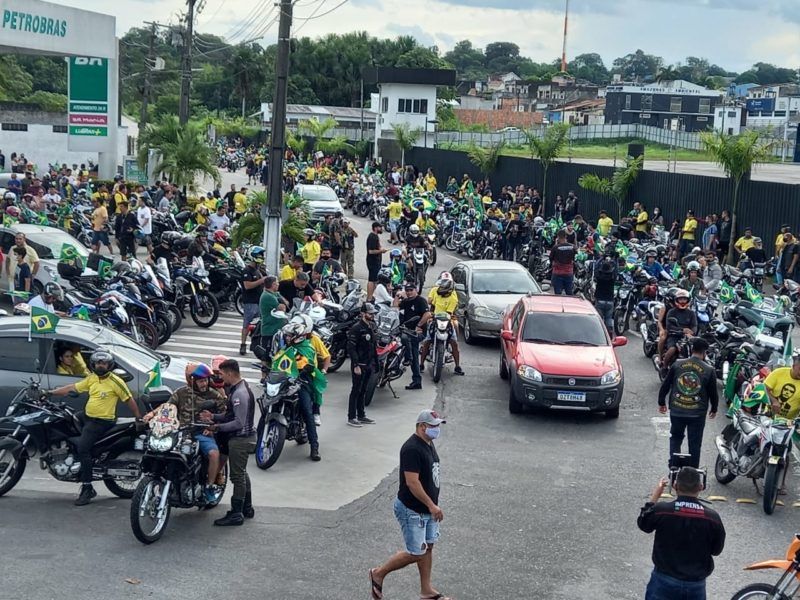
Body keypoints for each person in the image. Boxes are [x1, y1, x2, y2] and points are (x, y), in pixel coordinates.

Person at [369, 409, 448, 600]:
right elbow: (412, 482)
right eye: (433, 426)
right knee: (416, 552)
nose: (437, 430)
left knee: (428, 547)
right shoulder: (412, 448)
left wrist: (432, 506)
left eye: (438, 426)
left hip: (427, 509)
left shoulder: (428, 443)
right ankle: (378, 573)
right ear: (422, 426)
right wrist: (431, 505)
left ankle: (426, 590)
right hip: (413, 509)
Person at [49, 350, 142, 505]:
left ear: (109, 365)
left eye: (103, 363)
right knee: (67, 420)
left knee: (83, 449)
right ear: (93, 364)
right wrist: (49, 392)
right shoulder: (92, 378)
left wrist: (138, 416)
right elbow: (73, 388)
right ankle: (71, 458)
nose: (100, 365)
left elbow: (129, 399)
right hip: (87, 416)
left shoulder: (116, 381)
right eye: (98, 363)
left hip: (102, 421)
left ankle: (87, 488)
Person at [143, 363, 227, 502]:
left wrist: (212, 426)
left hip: (201, 433)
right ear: (192, 380)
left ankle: (209, 486)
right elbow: (167, 407)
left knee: (214, 454)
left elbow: (225, 414)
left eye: (206, 380)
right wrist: (151, 414)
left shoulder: (214, 396)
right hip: (180, 432)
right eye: (201, 380)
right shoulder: (181, 392)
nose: (204, 383)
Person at [637, 468, 725, 600]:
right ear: (701, 487)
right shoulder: (712, 518)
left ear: (674, 486)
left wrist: (655, 496)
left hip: (663, 580)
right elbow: (716, 550)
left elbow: (644, 524)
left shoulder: (662, 510)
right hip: (695, 585)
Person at [201, 359, 256, 526]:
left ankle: (236, 512)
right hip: (244, 438)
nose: (221, 378)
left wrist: (216, 427)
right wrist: (213, 417)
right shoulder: (238, 389)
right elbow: (230, 415)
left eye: (222, 374)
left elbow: (238, 423)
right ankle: (247, 507)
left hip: (240, 439)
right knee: (242, 473)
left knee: (237, 476)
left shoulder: (239, 394)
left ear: (230, 373)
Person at [658, 337, 718, 468]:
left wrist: (661, 402)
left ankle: (673, 466)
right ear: (704, 353)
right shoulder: (709, 370)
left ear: (692, 350)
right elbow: (713, 393)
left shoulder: (677, 364)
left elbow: (665, 385)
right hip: (697, 414)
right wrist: (714, 409)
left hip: (677, 410)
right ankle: (692, 472)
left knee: (675, 438)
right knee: (695, 444)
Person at [272, 321, 325, 459]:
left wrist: (304, 371)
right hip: (284, 381)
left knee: (307, 411)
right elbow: (277, 362)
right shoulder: (285, 348)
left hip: (303, 382)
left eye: (289, 336)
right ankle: (259, 437)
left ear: (298, 337)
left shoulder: (308, 348)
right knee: (269, 404)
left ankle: (314, 447)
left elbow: (310, 365)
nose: (287, 338)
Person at [419, 278, 464, 376]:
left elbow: (449, 313)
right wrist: (431, 315)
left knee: (454, 343)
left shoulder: (453, 298)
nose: (441, 290)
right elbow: (432, 306)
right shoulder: (435, 291)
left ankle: (457, 366)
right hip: (435, 320)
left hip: (447, 322)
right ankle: (421, 364)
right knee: (426, 342)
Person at [346, 303, 379, 427]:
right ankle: (351, 417)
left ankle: (361, 415)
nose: (372, 315)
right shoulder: (356, 328)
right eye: (370, 313)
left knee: (363, 390)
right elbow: (351, 348)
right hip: (359, 364)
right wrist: (355, 365)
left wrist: (376, 363)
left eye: (373, 313)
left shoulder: (371, 327)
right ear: (363, 314)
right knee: (356, 390)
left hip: (369, 364)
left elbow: (373, 346)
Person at [396, 282, 430, 391]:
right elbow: (394, 306)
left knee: (408, 342)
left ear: (416, 290)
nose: (409, 292)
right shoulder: (406, 301)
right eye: (407, 290)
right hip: (405, 330)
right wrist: (397, 295)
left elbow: (428, 314)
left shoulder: (421, 301)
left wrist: (418, 325)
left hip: (417, 333)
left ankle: (408, 359)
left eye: (411, 290)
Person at [661, 289, 697, 373]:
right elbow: (669, 327)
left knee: (699, 351)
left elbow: (694, 326)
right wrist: (682, 330)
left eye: (684, 299)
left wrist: (692, 332)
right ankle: (664, 367)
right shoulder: (671, 312)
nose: (682, 301)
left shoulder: (691, 313)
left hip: (689, 337)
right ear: (676, 300)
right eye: (680, 299)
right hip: (674, 336)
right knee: (672, 350)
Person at [240, 246, 267, 355]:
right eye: (258, 256)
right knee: (247, 324)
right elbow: (247, 285)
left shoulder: (259, 270)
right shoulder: (247, 270)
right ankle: (243, 344)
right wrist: (261, 280)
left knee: (259, 325)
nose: (260, 258)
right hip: (250, 302)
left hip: (259, 301)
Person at [258, 276, 287, 368]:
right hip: (269, 331)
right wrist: (282, 305)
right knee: (266, 356)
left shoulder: (274, 294)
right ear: (273, 284)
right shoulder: (267, 296)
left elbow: (286, 303)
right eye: (277, 283)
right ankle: (264, 376)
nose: (278, 284)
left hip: (276, 330)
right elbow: (282, 307)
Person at [764, 351, 800, 420]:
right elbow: (764, 388)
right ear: (793, 366)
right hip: (768, 417)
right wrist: (773, 400)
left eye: (790, 391)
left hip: (789, 424)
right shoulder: (779, 373)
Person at [593, 247, 618, 336]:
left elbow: (596, 267)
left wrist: (601, 258)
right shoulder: (612, 277)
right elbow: (616, 269)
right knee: (608, 319)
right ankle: (609, 334)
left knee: (599, 320)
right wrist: (615, 259)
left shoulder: (599, 276)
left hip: (599, 300)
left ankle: (599, 335)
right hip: (610, 301)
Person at [550, 230, 576, 295]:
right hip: (569, 273)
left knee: (558, 294)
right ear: (566, 236)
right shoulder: (572, 247)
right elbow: (574, 258)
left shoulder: (555, 247)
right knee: (569, 293)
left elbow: (551, 258)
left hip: (557, 273)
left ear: (558, 237)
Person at [366, 221, 387, 301]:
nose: (381, 229)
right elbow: (370, 251)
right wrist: (381, 251)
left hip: (376, 261)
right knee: (372, 280)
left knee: (375, 280)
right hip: (372, 261)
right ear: (375, 228)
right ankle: (369, 297)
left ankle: (373, 297)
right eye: (380, 227)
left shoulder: (376, 236)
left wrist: (381, 249)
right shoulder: (372, 237)